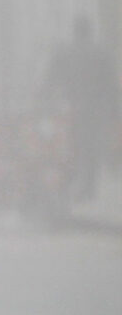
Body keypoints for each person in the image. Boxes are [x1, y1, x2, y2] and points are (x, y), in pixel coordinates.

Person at [43, 16, 120, 200]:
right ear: (89, 31)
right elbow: (111, 83)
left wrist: (45, 99)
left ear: (75, 31)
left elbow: (51, 78)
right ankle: (88, 187)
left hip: (72, 108)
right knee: (91, 147)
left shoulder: (64, 52)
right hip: (96, 109)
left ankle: (74, 184)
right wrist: (115, 110)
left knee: (73, 146)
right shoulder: (101, 53)